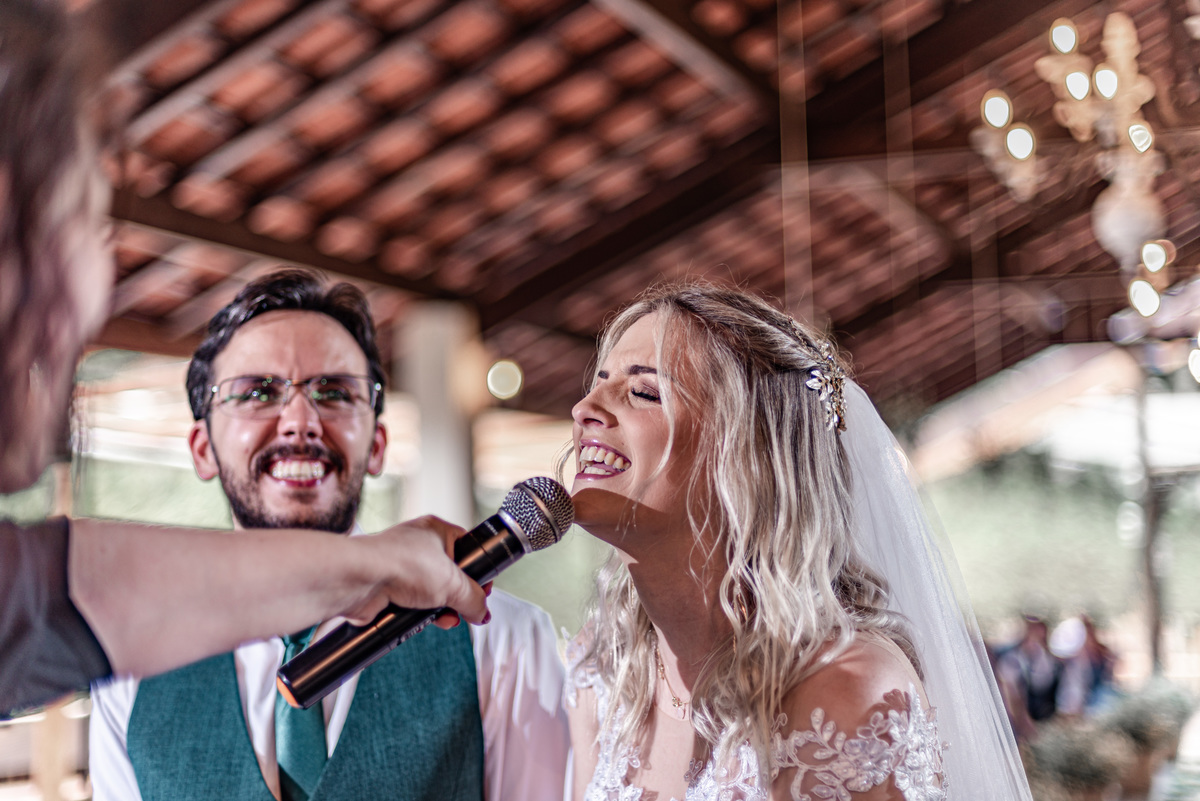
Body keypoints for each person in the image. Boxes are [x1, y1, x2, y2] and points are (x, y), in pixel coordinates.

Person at [0, 0, 486, 717]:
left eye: (333, 391)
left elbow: (54, 593)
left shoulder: (497, 645)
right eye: (78, 215)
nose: (94, 282)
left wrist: (379, 563)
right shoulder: (131, 691)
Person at [89, 270, 569, 801]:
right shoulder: (128, 660)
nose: (300, 420)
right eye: (258, 392)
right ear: (202, 448)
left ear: (379, 444)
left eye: (334, 392)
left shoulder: (504, 640)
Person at [563, 283, 1032, 800]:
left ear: (746, 459)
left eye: (644, 392)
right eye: (599, 382)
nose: (584, 408)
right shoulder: (607, 668)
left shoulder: (845, 689)